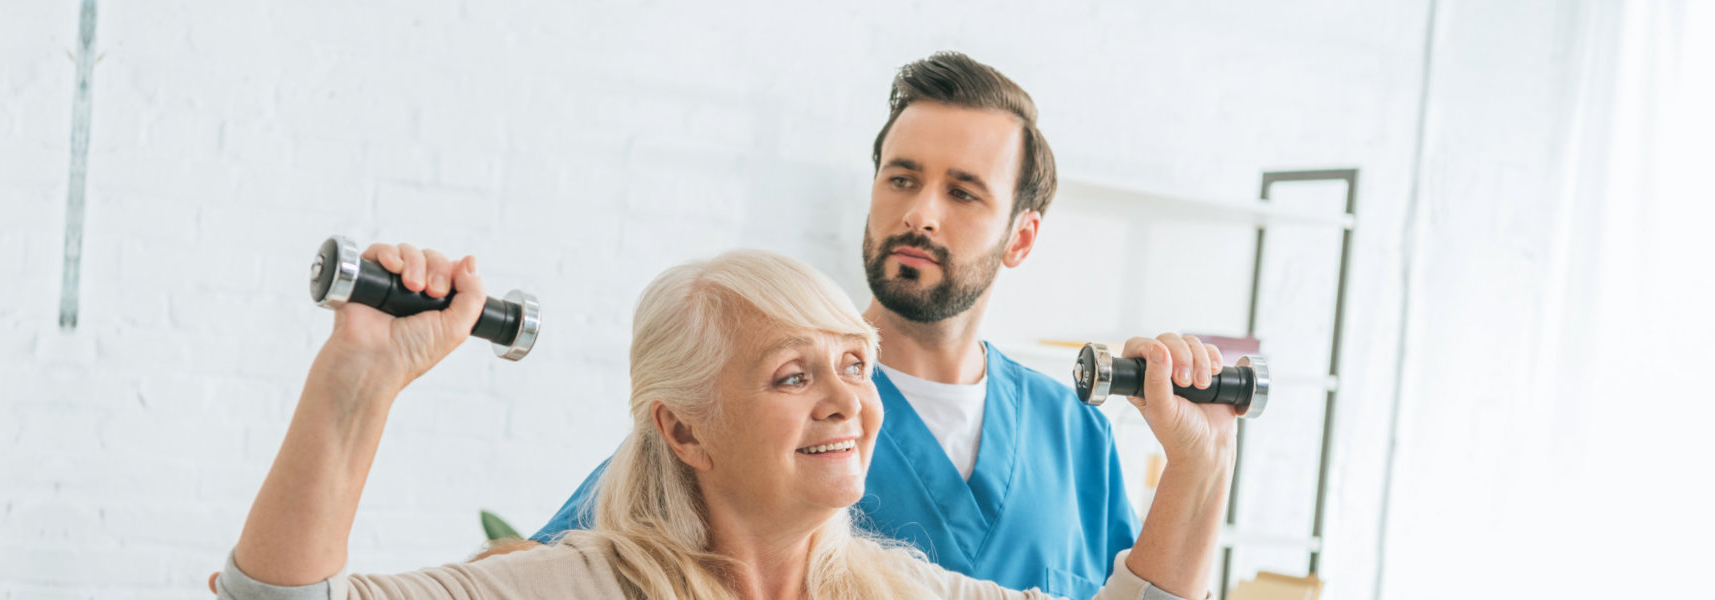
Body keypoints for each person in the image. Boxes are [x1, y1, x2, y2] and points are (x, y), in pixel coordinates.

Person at [532, 52, 1230, 599]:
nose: (920, 214)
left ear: (1021, 238)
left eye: (962, 192)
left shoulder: (1073, 434)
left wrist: (1203, 460)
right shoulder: (770, 406)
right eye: (901, 179)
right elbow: (554, 567)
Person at [214, 244, 1240, 600]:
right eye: (795, 375)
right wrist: (358, 377)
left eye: (854, 363)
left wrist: (1198, 462)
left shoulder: (900, 589)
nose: (849, 400)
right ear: (683, 431)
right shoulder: (578, 584)